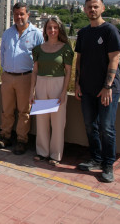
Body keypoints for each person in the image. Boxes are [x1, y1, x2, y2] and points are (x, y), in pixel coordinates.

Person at [75, 0, 120, 183]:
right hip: (87, 88)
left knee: (107, 128)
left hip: (107, 89)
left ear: (103, 8)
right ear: (85, 10)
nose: (92, 10)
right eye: (89, 7)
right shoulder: (83, 33)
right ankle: (96, 158)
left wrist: (107, 86)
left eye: (95, 7)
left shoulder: (110, 30)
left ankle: (108, 165)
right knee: (90, 125)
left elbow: (114, 59)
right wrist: (77, 83)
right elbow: (79, 60)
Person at [0, 2, 44, 155]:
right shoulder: (8, 33)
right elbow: (3, 53)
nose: (19, 17)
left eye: (22, 14)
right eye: (16, 14)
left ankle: (22, 140)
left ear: (28, 14)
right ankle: (5, 136)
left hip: (26, 77)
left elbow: (40, 57)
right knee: (7, 110)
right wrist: (6, 70)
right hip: (8, 76)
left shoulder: (36, 33)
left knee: (24, 111)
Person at [29, 17, 73, 166]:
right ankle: (42, 152)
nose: (52, 30)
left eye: (55, 27)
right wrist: (32, 91)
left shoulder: (66, 48)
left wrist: (63, 91)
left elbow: (68, 72)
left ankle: (56, 155)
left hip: (58, 84)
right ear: (45, 30)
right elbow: (35, 71)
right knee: (41, 120)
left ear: (59, 29)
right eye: (49, 27)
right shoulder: (38, 49)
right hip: (41, 84)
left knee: (58, 122)